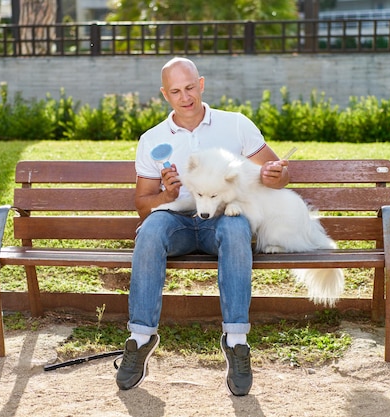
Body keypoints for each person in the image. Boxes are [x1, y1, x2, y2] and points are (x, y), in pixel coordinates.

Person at [115, 57, 290, 396]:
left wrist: (278, 174)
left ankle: (237, 342)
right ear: (165, 94)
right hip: (177, 221)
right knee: (150, 231)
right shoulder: (152, 140)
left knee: (239, 230)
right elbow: (142, 206)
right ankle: (139, 339)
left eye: (191, 87)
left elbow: (277, 172)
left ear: (202, 84)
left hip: (222, 219)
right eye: (176, 91)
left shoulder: (235, 125)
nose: (186, 97)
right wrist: (167, 193)